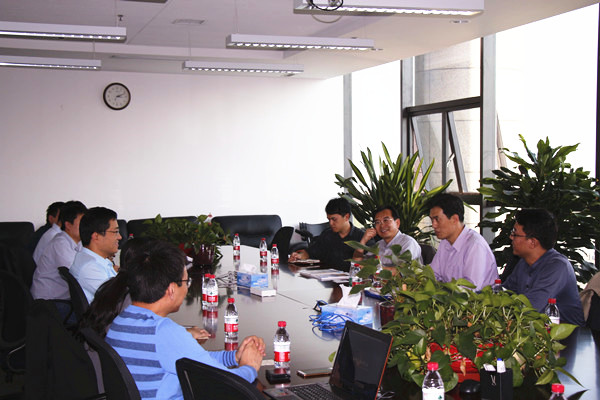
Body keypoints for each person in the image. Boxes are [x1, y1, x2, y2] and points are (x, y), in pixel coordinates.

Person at [105, 240, 264, 398]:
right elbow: (226, 383)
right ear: (171, 290)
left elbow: (194, 360)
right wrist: (250, 367)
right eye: (186, 282)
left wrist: (233, 357)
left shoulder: (122, 320)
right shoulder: (163, 332)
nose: (187, 288)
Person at [503, 209, 585, 326]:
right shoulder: (524, 262)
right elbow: (505, 291)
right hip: (534, 329)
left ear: (532, 242)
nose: (511, 237)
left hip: (565, 334)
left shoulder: (557, 267)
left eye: (515, 234)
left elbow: (531, 309)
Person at [429, 193, 498, 291]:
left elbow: (470, 289)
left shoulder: (475, 245)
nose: (433, 225)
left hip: (476, 300)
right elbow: (433, 275)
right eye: (432, 220)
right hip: (451, 298)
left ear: (454, 219)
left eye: (437, 219)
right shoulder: (445, 242)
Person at [288, 197, 372, 271]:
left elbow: (369, 266)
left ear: (346, 217)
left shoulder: (362, 238)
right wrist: (299, 256)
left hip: (351, 281)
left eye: (334, 219)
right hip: (327, 279)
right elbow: (311, 252)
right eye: (329, 219)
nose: (331, 223)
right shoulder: (327, 235)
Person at [31, 200, 87, 301]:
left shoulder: (77, 242)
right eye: (82, 223)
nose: (86, 227)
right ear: (68, 225)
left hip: (62, 298)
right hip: (49, 302)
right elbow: (78, 274)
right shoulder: (60, 244)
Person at [70, 207, 122, 303]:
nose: (119, 237)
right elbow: (120, 300)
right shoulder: (90, 267)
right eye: (115, 232)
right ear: (96, 236)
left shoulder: (92, 259)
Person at [353, 206, 422, 265]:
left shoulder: (408, 243)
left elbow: (402, 272)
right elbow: (357, 264)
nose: (382, 225)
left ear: (397, 223)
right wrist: (363, 241)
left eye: (386, 220)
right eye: (377, 222)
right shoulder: (379, 245)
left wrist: (373, 269)